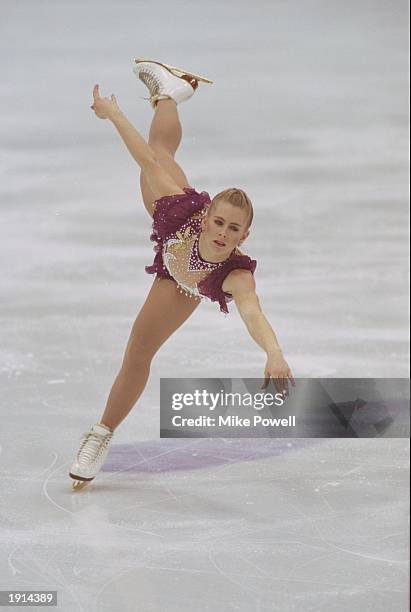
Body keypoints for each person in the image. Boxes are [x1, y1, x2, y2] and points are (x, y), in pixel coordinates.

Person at [69, 59, 294, 490]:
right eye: (219, 222)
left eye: (234, 229)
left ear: (244, 235)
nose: (223, 234)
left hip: (182, 284)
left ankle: (100, 435)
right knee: (158, 157)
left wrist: (274, 353)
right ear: (206, 216)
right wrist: (115, 114)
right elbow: (145, 160)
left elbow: (253, 314)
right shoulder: (181, 210)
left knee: (138, 353)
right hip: (171, 229)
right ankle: (170, 92)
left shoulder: (235, 274)